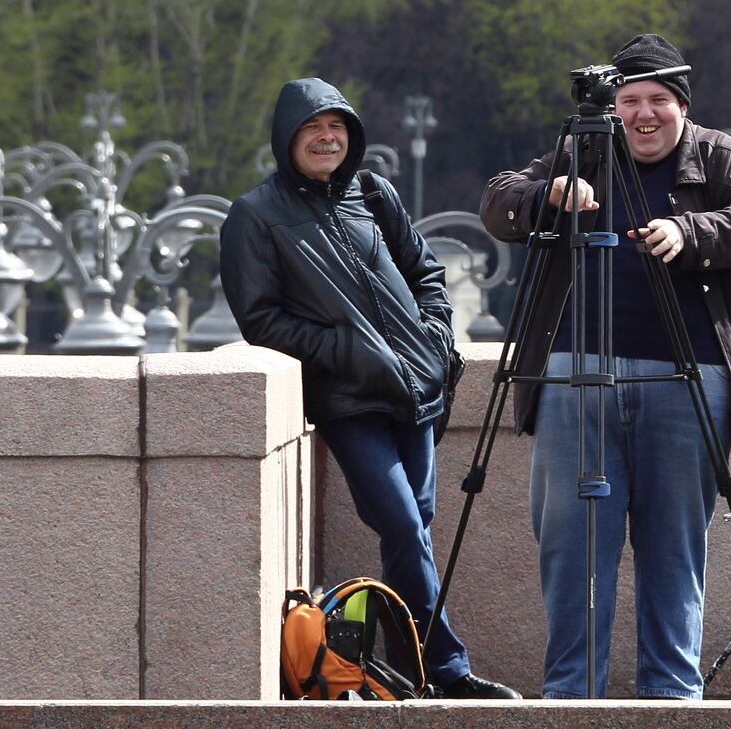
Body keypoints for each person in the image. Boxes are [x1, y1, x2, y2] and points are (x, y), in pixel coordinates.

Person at [480, 34, 731, 699]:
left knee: (674, 553)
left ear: (682, 105)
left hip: (690, 381)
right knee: (571, 552)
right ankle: (570, 701)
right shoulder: (584, 148)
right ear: (611, 106)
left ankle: (671, 702)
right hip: (573, 377)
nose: (643, 114)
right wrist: (547, 197)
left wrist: (691, 232)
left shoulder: (722, 158)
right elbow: (498, 201)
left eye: (658, 101)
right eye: (628, 101)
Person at [219, 77, 520, 699]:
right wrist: (351, 353)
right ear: (287, 140)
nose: (326, 139)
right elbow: (260, 320)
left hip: (417, 391)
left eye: (337, 128)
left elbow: (426, 271)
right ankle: (447, 669)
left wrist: (435, 337)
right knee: (406, 529)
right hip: (348, 401)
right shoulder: (255, 215)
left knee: (414, 530)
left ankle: (405, 671)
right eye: (312, 129)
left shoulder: (373, 193)